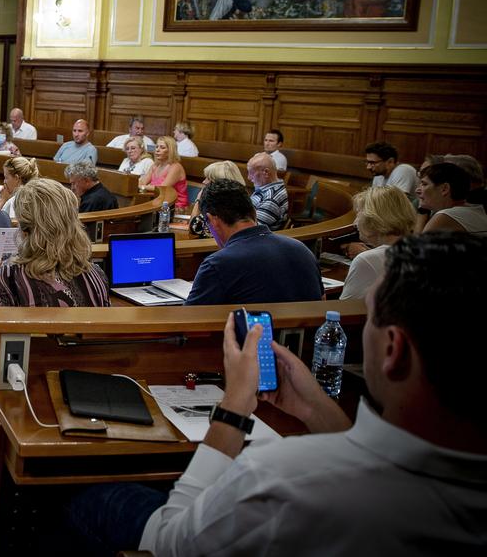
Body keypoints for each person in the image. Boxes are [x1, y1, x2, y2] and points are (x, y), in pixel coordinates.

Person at [70, 233, 487, 556]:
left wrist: (235, 405)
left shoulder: (285, 479)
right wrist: (313, 406)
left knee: (89, 499)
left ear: (393, 350)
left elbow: (170, 542)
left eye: (370, 319)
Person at [0, 178, 110, 339]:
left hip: (25, 363)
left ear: (25, 231)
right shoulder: (96, 274)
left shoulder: (9, 276)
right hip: (90, 362)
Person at [185, 179, 322, 305]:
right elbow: (322, 302)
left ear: (213, 220)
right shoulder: (303, 251)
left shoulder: (217, 264)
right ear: (253, 212)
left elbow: (189, 323)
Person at [340, 186, 416, 301]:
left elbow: (344, 311)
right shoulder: (421, 250)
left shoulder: (367, 260)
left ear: (373, 218)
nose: (355, 222)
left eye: (358, 214)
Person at [417, 162, 487, 235]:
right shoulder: (477, 209)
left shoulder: (446, 216)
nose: (417, 190)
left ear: (444, 189)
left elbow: (416, 245)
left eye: (424, 184)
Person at [188, 160, 245, 237]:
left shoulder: (223, 206)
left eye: (208, 178)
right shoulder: (239, 199)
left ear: (219, 183)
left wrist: (198, 200)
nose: (204, 182)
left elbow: (194, 228)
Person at [139, 136, 188, 208]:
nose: (157, 150)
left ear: (170, 151)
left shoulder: (176, 167)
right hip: (157, 201)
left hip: (175, 206)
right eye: (157, 147)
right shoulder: (155, 166)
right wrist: (143, 185)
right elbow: (142, 182)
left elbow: (162, 188)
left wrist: (143, 187)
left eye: (162, 147)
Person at [247, 152, 289, 230]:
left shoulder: (270, 199)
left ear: (266, 172)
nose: (249, 178)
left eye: (251, 173)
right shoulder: (271, 187)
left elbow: (253, 230)